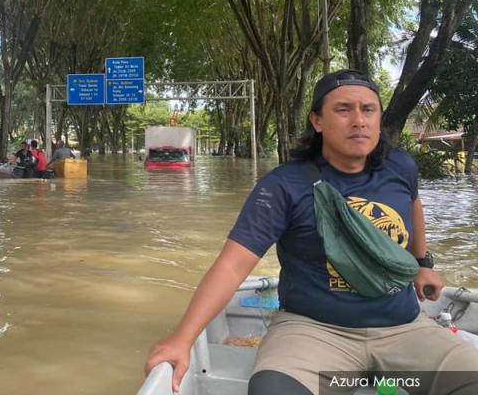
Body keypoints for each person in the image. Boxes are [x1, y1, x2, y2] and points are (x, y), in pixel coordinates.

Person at [144, 69, 478, 395]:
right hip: (312, 330)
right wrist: (182, 339)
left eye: (368, 110)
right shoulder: (283, 186)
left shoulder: (400, 167)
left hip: (405, 327)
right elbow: (232, 265)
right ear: (317, 121)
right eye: (343, 109)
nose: (359, 120)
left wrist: (422, 263)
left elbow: (414, 206)